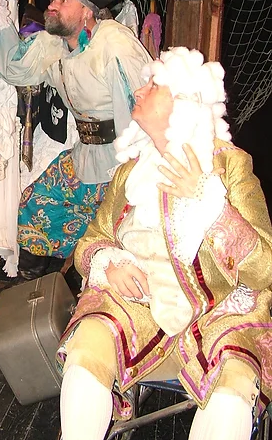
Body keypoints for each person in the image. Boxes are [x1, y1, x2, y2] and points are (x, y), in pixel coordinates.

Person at [58, 47, 272, 440]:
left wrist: (211, 204)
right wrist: (107, 260)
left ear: (183, 101)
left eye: (153, 85)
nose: (139, 92)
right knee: (86, 346)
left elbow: (265, 269)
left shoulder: (229, 165)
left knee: (233, 389)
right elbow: (90, 241)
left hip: (215, 316)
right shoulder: (130, 172)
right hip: (136, 310)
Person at [0, 0, 152, 292]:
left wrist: (133, 170)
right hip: (85, 153)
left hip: (122, 158)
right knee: (37, 202)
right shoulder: (53, 44)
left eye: (63, 0)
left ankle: (85, 293)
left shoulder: (114, 43)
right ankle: (31, 291)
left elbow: (139, 106)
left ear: (87, 11)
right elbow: (15, 67)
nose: (52, 5)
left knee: (112, 229)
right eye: (52, 0)